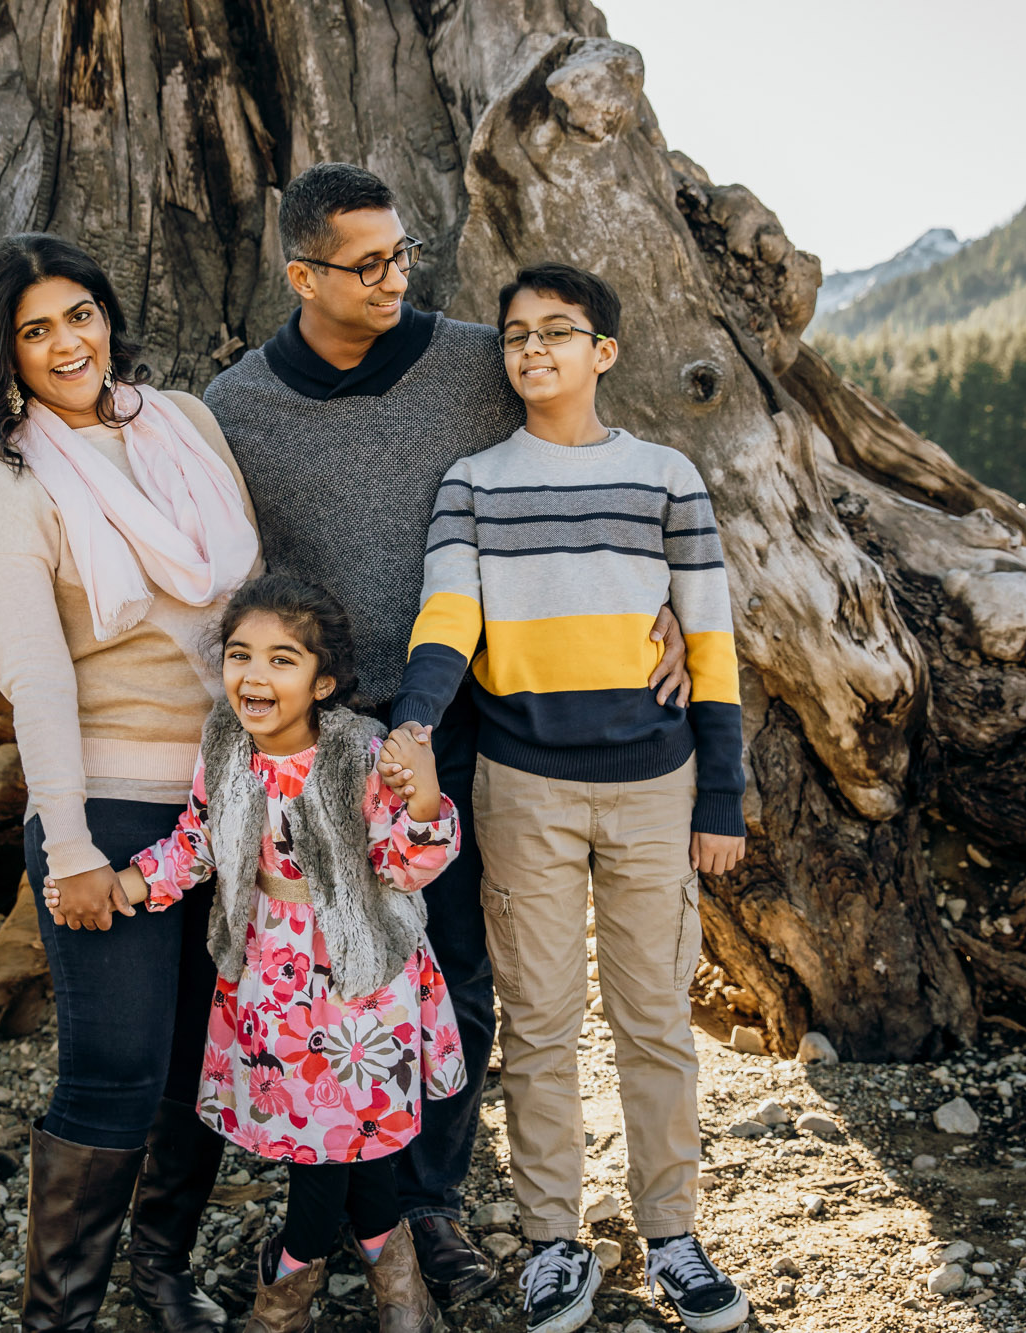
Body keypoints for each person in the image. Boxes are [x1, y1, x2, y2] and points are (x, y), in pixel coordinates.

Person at [203, 162, 693, 1306]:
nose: (392, 279)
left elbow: (591, 451)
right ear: (300, 274)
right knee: (322, 975)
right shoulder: (236, 407)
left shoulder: (477, 360)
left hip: (463, 720)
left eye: (401, 255)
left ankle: (427, 1207)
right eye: (365, 264)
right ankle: (330, 1207)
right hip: (322, 741)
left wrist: (656, 593)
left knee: (457, 970)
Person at [386, 263, 751, 1333]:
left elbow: (712, 643)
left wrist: (719, 796)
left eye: (557, 331)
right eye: (514, 335)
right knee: (540, 1026)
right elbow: (447, 618)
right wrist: (413, 716)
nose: (532, 349)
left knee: (654, 1021)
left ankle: (673, 1235)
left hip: (655, 787)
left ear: (605, 350)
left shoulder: (665, 477)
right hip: (522, 788)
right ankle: (554, 1242)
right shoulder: (473, 482)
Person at [0, 233, 262, 1333]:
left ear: (106, 316)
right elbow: (34, 678)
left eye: (77, 314)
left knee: (205, 1061)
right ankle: (58, 1318)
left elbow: (249, 605)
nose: (65, 342)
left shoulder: (183, 424)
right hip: (113, 810)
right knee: (113, 1071)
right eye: (34, 331)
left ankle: (162, 1276)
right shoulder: (8, 487)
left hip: (231, 800)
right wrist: (69, 843)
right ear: (7, 355)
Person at [55, 573, 459, 1333]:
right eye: (241, 655)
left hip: (357, 982)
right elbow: (199, 841)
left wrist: (427, 800)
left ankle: (286, 1294)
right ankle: (398, 1289)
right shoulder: (227, 746)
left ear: (323, 681)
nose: (255, 674)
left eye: (282, 659)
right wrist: (129, 884)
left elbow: (407, 864)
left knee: (342, 1142)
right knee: (335, 1141)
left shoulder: (361, 754)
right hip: (273, 980)